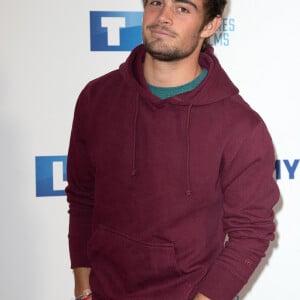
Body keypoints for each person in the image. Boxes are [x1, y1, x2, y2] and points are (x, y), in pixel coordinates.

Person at [66, 0, 279, 299]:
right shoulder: (96, 98)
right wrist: (83, 285)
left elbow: (252, 232)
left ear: (210, 25)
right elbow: (82, 196)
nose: (163, 17)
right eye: (156, 3)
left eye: (182, 8)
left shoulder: (240, 126)